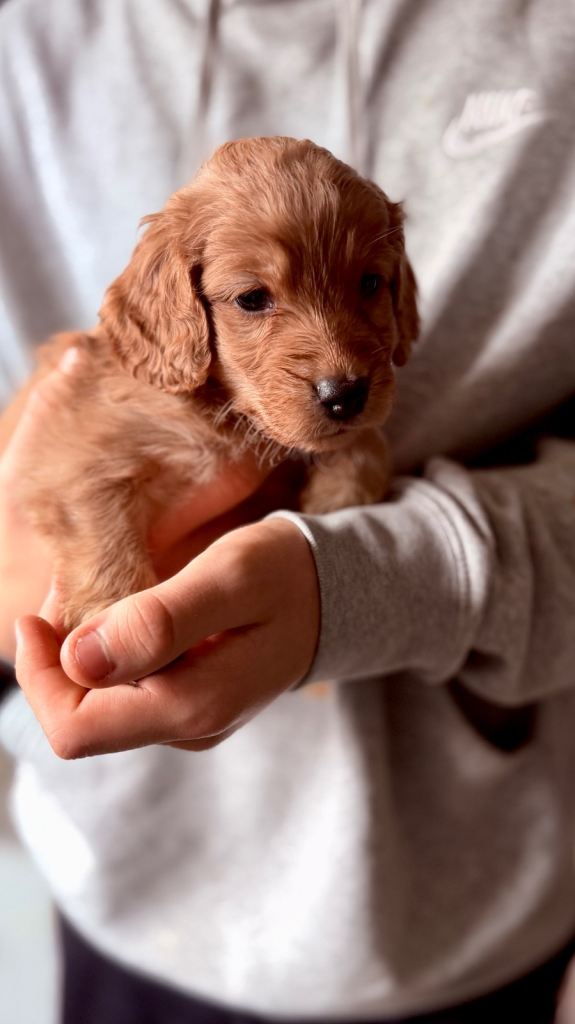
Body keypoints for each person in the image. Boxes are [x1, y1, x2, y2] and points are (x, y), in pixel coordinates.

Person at [1, 1, 575, 1022]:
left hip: (472, 905)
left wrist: (382, 575)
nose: (345, 357)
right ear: (175, 305)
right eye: (255, 298)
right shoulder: (34, 40)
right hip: (140, 894)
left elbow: (358, 454)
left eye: (366, 287)